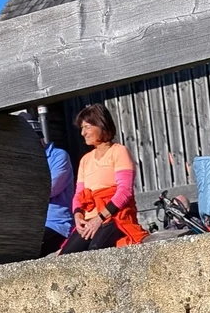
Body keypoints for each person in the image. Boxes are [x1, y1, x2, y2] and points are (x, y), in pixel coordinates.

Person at [59, 104, 147, 255]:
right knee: (66, 256)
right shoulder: (86, 160)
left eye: (87, 127)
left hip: (114, 217)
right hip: (90, 218)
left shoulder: (119, 152)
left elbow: (124, 192)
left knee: (96, 251)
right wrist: (78, 215)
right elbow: (79, 194)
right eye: (82, 128)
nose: (83, 133)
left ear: (101, 124)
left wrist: (99, 218)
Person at [33, 113, 75, 256]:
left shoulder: (59, 156)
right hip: (30, 225)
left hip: (57, 225)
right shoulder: (23, 160)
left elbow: (50, 189)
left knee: (31, 249)